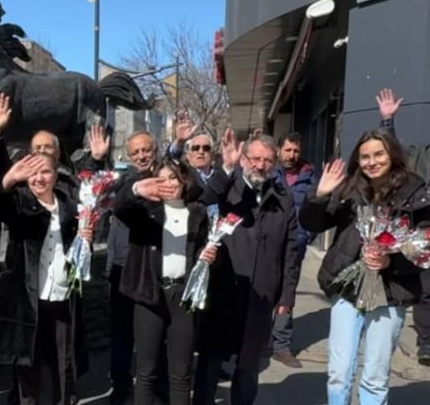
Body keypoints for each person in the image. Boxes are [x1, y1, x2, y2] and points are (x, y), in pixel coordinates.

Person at [300, 130, 429, 405]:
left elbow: (424, 244)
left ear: (392, 155)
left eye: (378, 154)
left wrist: (391, 261)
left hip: (391, 292)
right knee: (338, 371)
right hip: (348, 288)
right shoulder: (350, 187)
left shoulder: (414, 191)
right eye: (365, 157)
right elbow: (314, 224)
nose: (371, 162)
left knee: (375, 375)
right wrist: (320, 194)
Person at [192, 130, 300, 405]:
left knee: (249, 363)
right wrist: (226, 167)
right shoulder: (227, 189)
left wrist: (286, 296)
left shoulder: (283, 197)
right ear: (244, 160)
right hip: (225, 287)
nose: (260, 165)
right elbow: (201, 200)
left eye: (266, 160)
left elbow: (291, 250)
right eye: (254, 159)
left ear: (274, 164)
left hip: (262, 293)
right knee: (211, 359)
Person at [0, 152, 91, 405]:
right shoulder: (19, 202)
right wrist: (8, 179)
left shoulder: (67, 204)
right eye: (33, 173)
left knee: (63, 365)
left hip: (62, 296)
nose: (39, 178)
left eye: (45, 172)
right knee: (28, 368)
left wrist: (85, 233)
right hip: (28, 299)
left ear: (56, 175)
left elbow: (93, 194)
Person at [114, 158, 213, 405]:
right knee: (146, 372)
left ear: (184, 181)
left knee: (180, 375)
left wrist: (210, 258)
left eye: (174, 178)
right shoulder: (144, 211)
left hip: (184, 296)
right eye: (162, 178)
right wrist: (137, 189)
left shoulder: (197, 212)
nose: (169, 183)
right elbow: (120, 207)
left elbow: (207, 251)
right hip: (149, 294)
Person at [375, 87, 430, 366]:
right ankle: (427, 343)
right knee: (426, 287)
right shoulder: (420, 155)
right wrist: (387, 122)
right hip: (423, 230)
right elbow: (394, 157)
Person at [105, 131, 158, 404]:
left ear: (155, 150)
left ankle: (153, 385)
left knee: (153, 331)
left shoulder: (165, 178)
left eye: (146, 150)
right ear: (128, 155)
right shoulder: (122, 183)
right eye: (136, 152)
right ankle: (121, 384)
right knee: (122, 333)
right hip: (122, 265)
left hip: (153, 266)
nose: (141, 156)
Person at [265, 132, 318, 368]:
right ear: (279, 150)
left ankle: (281, 346)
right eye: (287, 150)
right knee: (264, 290)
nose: (292, 155)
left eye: (295, 150)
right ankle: (258, 339)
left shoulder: (309, 176)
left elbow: (316, 208)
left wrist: (306, 234)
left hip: (295, 245)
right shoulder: (269, 173)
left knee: (287, 293)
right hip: (268, 244)